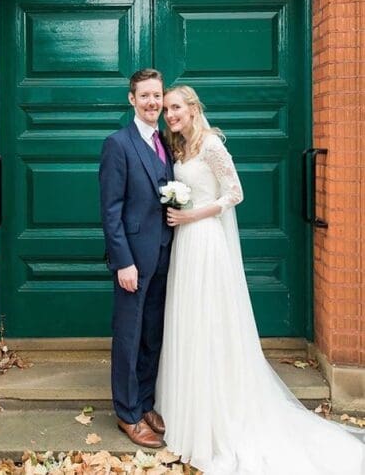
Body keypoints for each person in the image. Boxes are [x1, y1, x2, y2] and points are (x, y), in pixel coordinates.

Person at [155, 85, 365, 475]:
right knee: (188, 322)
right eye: (167, 109)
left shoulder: (212, 145)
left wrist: (192, 215)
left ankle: (220, 416)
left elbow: (235, 193)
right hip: (185, 244)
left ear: (193, 108)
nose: (170, 114)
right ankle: (189, 409)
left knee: (211, 322)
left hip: (205, 242)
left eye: (176, 107)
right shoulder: (178, 147)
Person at [99, 69, 174, 448]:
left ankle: (145, 401)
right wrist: (122, 261)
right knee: (128, 337)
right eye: (144, 96)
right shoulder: (118, 144)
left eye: (156, 96)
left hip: (164, 255)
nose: (152, 103)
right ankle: (127, 413)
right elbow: (110, 211)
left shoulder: (165, 143)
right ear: (132, 99)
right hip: (133, 261)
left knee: (151, 335)